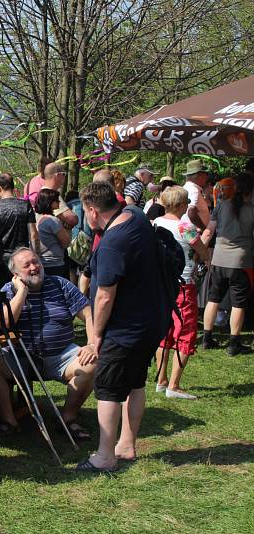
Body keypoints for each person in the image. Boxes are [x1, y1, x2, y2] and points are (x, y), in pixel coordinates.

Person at [77, 181, 169, 472]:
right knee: (135, 382)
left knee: (107, 388)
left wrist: (97, 337)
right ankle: (126, 444)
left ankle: (105, 456)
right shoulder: (136, 215)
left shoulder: (112, 242)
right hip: (152, 319)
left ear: (92, 211)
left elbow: (104, 295)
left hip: (125, 327)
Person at [0, 248, 96, 437]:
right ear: (15, 274)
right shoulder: (8, 291)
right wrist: (21, 292)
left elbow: (89, 314)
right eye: (26, 265)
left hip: (61, 354)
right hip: (20, 356)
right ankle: (8, 420)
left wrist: (92, 343)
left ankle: (67, 418)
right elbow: (2, 323)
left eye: (36, 261)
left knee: (91, 364)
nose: (34, 267)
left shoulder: (61, 284)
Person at [153, 186, 209, 398]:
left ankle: (161, 379)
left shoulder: (156, 223)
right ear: (180, 205)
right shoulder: (186, 227)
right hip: (184, 284)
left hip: (161, 283)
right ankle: (174, 386)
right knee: (185, 333)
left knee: (165, 331)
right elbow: (203, 253)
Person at [201, 175, 254, 355]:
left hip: (219, 260)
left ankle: (207, 338)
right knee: (238, 303)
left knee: (213, 298)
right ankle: (234, 343)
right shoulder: (252, 210)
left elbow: (209, 232)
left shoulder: (221, 206)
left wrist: (199, 253)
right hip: (241, 262)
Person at [0, 172, 39, 298]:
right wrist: (36, 257)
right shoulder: (25, 205)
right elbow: (34, 235)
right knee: (24, 294)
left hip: (2, 259)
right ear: (13, 186)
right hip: (23, 258)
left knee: (4, 296)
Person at [35, 189, 72, 279]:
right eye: (56, 200)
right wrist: (67, 228)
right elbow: (66, 242)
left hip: (42, 262)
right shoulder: (52, 220)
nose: (59, 202)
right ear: (50, 202)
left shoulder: (36, 217)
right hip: (55, 263)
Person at [182, 159, 211, 232]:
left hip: (189, 233)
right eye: (206, 174)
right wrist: (204, 229)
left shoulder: (186, 188)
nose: (207, 177)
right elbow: (191, 213)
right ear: (200, 175)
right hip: (195, 234)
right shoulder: (194, 191)